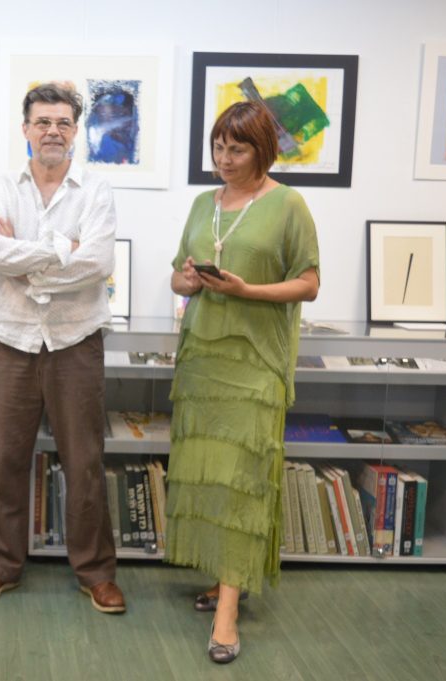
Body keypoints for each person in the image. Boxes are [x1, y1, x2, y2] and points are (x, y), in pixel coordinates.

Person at [0, 83, 125, 614]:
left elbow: (98, 262)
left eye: (62, 122)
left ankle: (95, 572)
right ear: (26, 129)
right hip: (12, 339)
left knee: (84, 461)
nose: (52, 131)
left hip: (75, 340)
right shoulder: (1, 189)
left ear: (76, 130)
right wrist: (62, 251)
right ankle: (0, 566)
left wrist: (29, 262)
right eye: (43, 122)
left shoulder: (95, 190)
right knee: (8, 459)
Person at [166, 100, 320, 663]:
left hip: (255, 363)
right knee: (211, 477)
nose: (224, 159)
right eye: (218, 148)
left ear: (263, 150)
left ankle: (228, 612)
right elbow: (178, 277)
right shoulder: (202, 204)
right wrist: (188, 279)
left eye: (237, 150)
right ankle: (224, 579)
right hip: (203, 357)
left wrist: (247, 291)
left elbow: (309, 283)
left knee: (243, 480)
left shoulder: (288, 204)